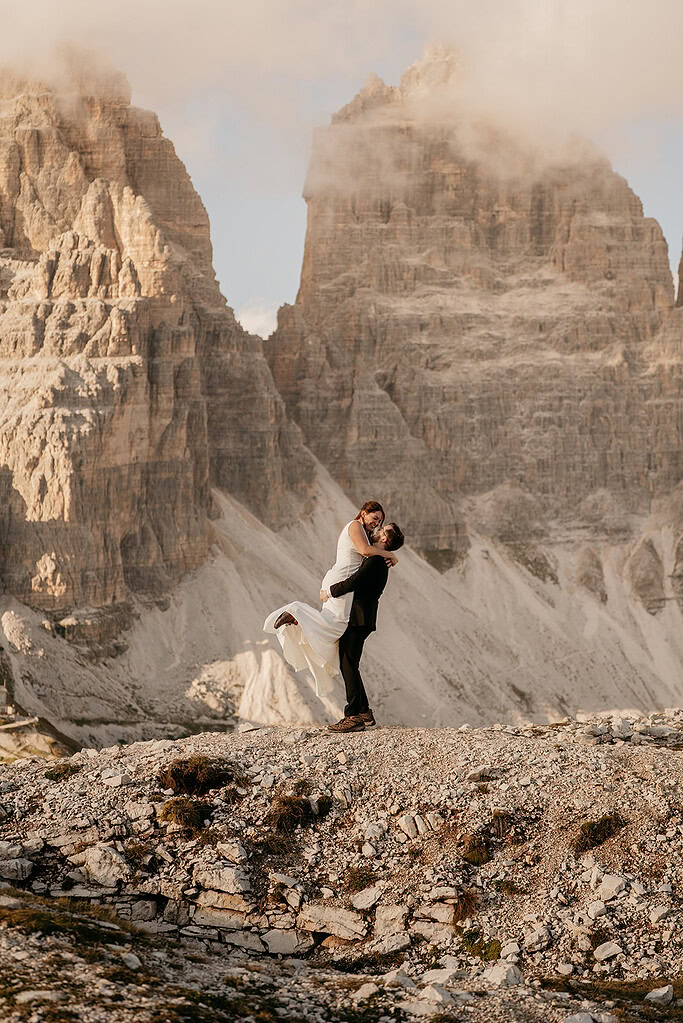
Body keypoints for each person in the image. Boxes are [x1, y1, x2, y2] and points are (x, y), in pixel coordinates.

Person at [263, 502, 398, 698]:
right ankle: (296, 613)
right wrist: (390, 554)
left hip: (340, 582)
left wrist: (388, 555)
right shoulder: (355, 526)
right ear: (363, 513)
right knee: (334, 626)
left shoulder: (365, 533)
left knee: (333, 627)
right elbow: (365, 551)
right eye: (374, 518)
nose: (376, 523)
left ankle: (298, 619)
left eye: (379, 521)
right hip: (341, 583)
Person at [322, 522, 405, 733]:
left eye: (382, 529)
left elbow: (355, 582)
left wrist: (330, 591)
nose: (377, 531)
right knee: (351, 663)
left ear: (385, 539)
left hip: (359, 619)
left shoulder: (377, 561)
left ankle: (353, 716)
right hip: (363, 618)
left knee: (347, 663)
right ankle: (365, 712)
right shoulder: (379, 559)